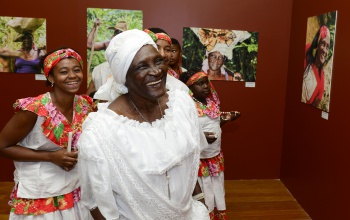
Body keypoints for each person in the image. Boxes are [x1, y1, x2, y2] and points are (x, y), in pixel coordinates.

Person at [77, 29, 209, 220]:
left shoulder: (181, 105)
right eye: (141, 67)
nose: (156, 72)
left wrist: (200, 200)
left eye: (158, 61)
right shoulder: (102, 131)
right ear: (123, 76)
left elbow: (189, 163)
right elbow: (97, 205)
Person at [0, 48, 95, 219]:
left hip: (74, 188)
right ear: (51, 77)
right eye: (64, 72)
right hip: (40, 193)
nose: (72, 76)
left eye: (77, 70)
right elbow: (2, 146)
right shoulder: (35, 109)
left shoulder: (84, 106)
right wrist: (51, 157)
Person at [179, 69, 241, 220]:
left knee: (217, 188)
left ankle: (218, 215)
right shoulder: (188, 107)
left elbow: (213, 124)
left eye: (206, 82)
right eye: (199, 84)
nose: (205, 86)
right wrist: (203, 137)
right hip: (200, 159)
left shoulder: (211, 103)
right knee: (205, 190)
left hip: (214, 156)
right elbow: (183, 133)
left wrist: (225, 119)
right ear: (190, 88)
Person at [301, 25, 330, 107]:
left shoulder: (321, 79)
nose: (325, 50)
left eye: (327, 47)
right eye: (323, 44)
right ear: (317, 44)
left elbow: (316, 103)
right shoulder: (307, 51)